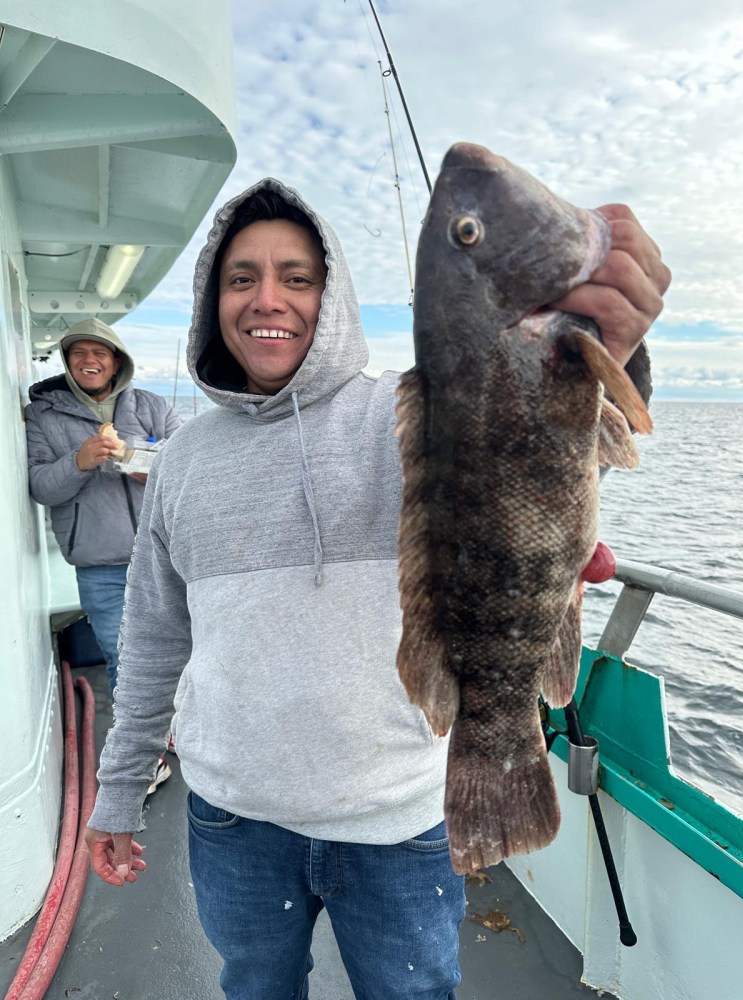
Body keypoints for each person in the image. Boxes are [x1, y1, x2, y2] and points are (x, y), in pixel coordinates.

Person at [84, 180, 671, 999]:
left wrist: (614, 346)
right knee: (255, 988)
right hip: (232, 816)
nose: (268, 299)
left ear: (333, 296)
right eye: (242, 278)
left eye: (297, 277)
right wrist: (118, 794)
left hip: (399, 818)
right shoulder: (181, 460)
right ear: (213, 302)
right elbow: (152, 641)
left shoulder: (408, 410)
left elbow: (548, 457)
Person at [25, 319, 182, 785]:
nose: (89, 360)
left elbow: (183, 468)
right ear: (67, 361)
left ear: (117, 361)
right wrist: (79, 461)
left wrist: (128, 456)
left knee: (181, 649)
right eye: (78, 352)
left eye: (100, 352)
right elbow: (41, 486)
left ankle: (174, 726)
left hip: (165, 556)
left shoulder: (152, 406)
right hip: (100, 564)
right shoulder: (42, 416)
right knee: (122, 656)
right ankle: (142, 756)